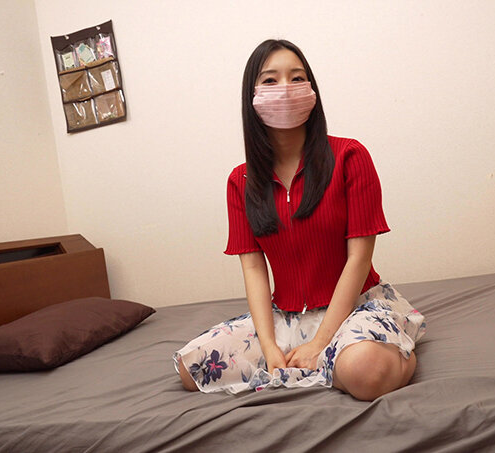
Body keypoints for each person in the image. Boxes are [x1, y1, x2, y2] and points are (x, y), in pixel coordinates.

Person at [174, 39, 426, 401]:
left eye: (297, 78)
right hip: (285, 317)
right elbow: (254, 269)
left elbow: (359, 259)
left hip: (354, 306)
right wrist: (269, 347)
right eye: (270, 80)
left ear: (311, 90)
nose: (285, 89)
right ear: (251, 96)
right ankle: (321, 367)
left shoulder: (350, 157)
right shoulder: (240, 181)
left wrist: (321, 342)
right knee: (192, 369)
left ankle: (392, 349)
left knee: (365, 371)